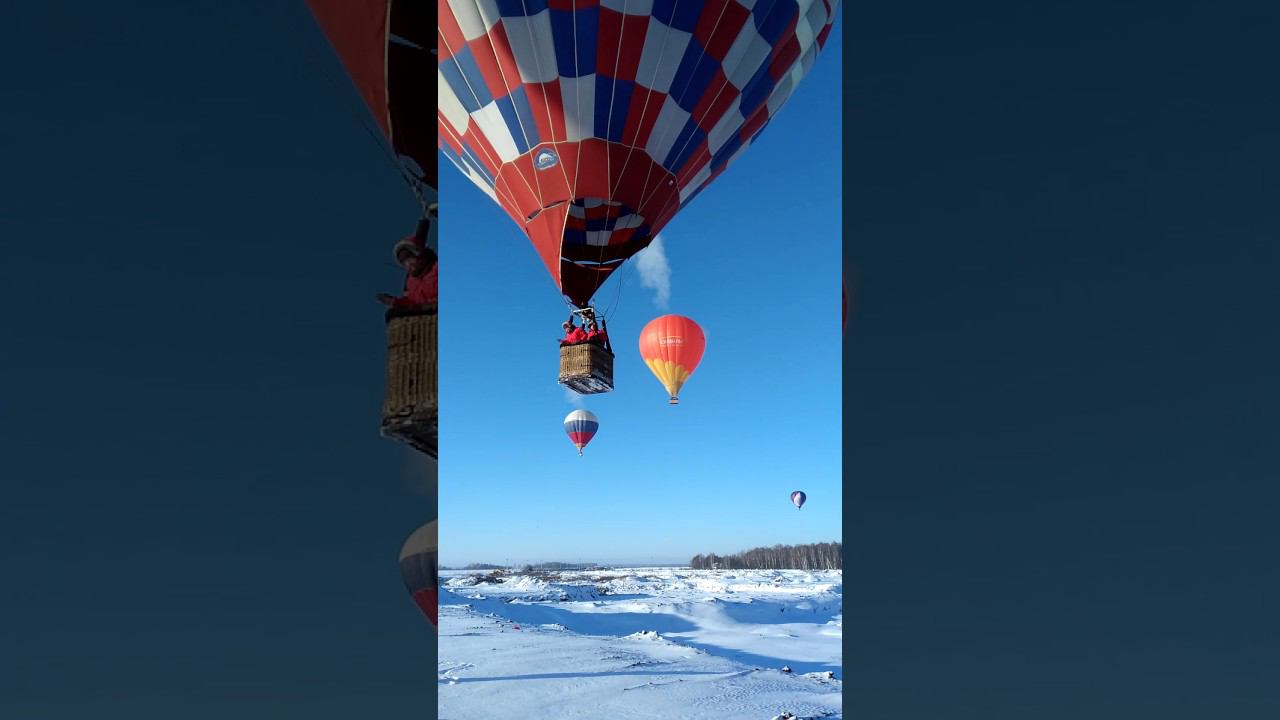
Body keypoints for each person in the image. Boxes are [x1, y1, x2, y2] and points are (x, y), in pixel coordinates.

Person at [377, 235, 438, 310]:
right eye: (403, 262)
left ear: (419, 255)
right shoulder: (410, 282)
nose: (408, 264)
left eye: (409, 258)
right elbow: (412, 301)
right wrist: (395, 302)